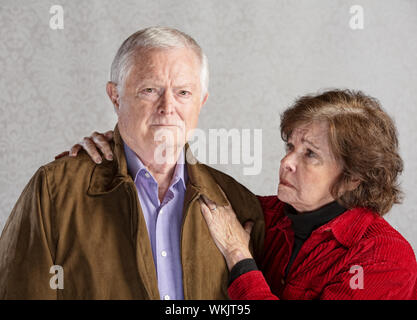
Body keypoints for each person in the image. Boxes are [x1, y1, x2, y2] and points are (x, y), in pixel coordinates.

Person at [0, 27, 265, 299]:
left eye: (183, 92)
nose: (167, 107)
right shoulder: (54, 192)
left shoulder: (239, 204)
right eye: (149, 90)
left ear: (202, 101)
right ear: (115, 97)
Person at [74, 89, 417, 299]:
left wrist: (240, 257)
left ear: (353, 178)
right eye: (290, 146)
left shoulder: (385, 258)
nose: (286, 163)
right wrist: (120, 148)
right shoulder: (265, 213)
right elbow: (185, 176)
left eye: (309, 154)